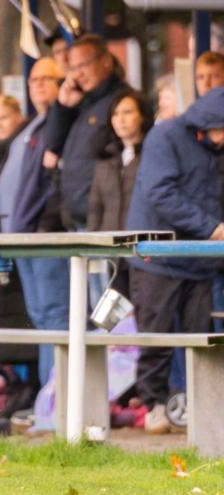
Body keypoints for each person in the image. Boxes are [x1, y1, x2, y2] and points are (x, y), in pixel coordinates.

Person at [124, 87, 224, 434]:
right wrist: (211, 228)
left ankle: (203, 410)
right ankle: (153, 406)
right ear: (208, 124)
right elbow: (160, 192)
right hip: (159, 258)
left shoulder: (214, 147)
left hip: (199, 261)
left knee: (201, 340)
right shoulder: (165, 136)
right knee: (156, 337)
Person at [0, 58, 67, 415]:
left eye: (46, 79)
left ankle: (58, 404)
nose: (38, 84)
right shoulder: (32, 126)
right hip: (23, 239)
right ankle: (47, 402)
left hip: (46, 237)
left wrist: (46, 222)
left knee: (56, 318)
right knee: (41, 318)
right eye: (33, 79)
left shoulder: (60, 123)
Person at [43, 33, 130, 232]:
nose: (78, 74)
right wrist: (62, 106)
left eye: (84, 65)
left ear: (106, 61)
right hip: (74, 215)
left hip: (102, 219)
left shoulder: (120, 101)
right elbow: (52, 148)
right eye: (73, 68)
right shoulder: (82, 102)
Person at [86, 89, 152, 297]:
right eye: (115, 114)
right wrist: (93, 245)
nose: (120, 120)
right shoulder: (106, 159)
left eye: (128, 112)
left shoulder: (153, 155)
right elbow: (95, 208)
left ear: (142, 116)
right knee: (114, 318)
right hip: (111, 252)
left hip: (143, 252)